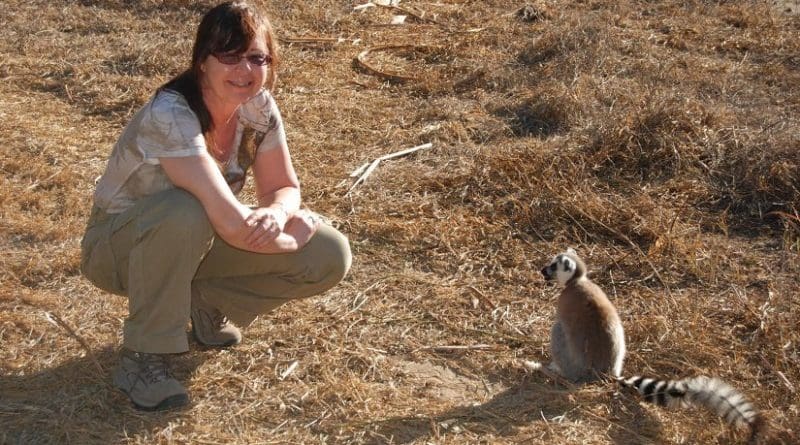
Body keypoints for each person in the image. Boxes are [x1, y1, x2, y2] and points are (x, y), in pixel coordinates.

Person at [80, 1, 351, 411]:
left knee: (329, 252)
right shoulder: (171, 113)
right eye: (228, 56)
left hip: (199, 238)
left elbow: (282, 186)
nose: (244, 71)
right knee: (183, 210)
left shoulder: (258, 106)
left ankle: (208, 303)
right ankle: (143, 358)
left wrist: (277, 214)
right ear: (202, 62)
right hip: (117, 248)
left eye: (256, 58)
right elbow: (231, 224)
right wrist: (290, 238)